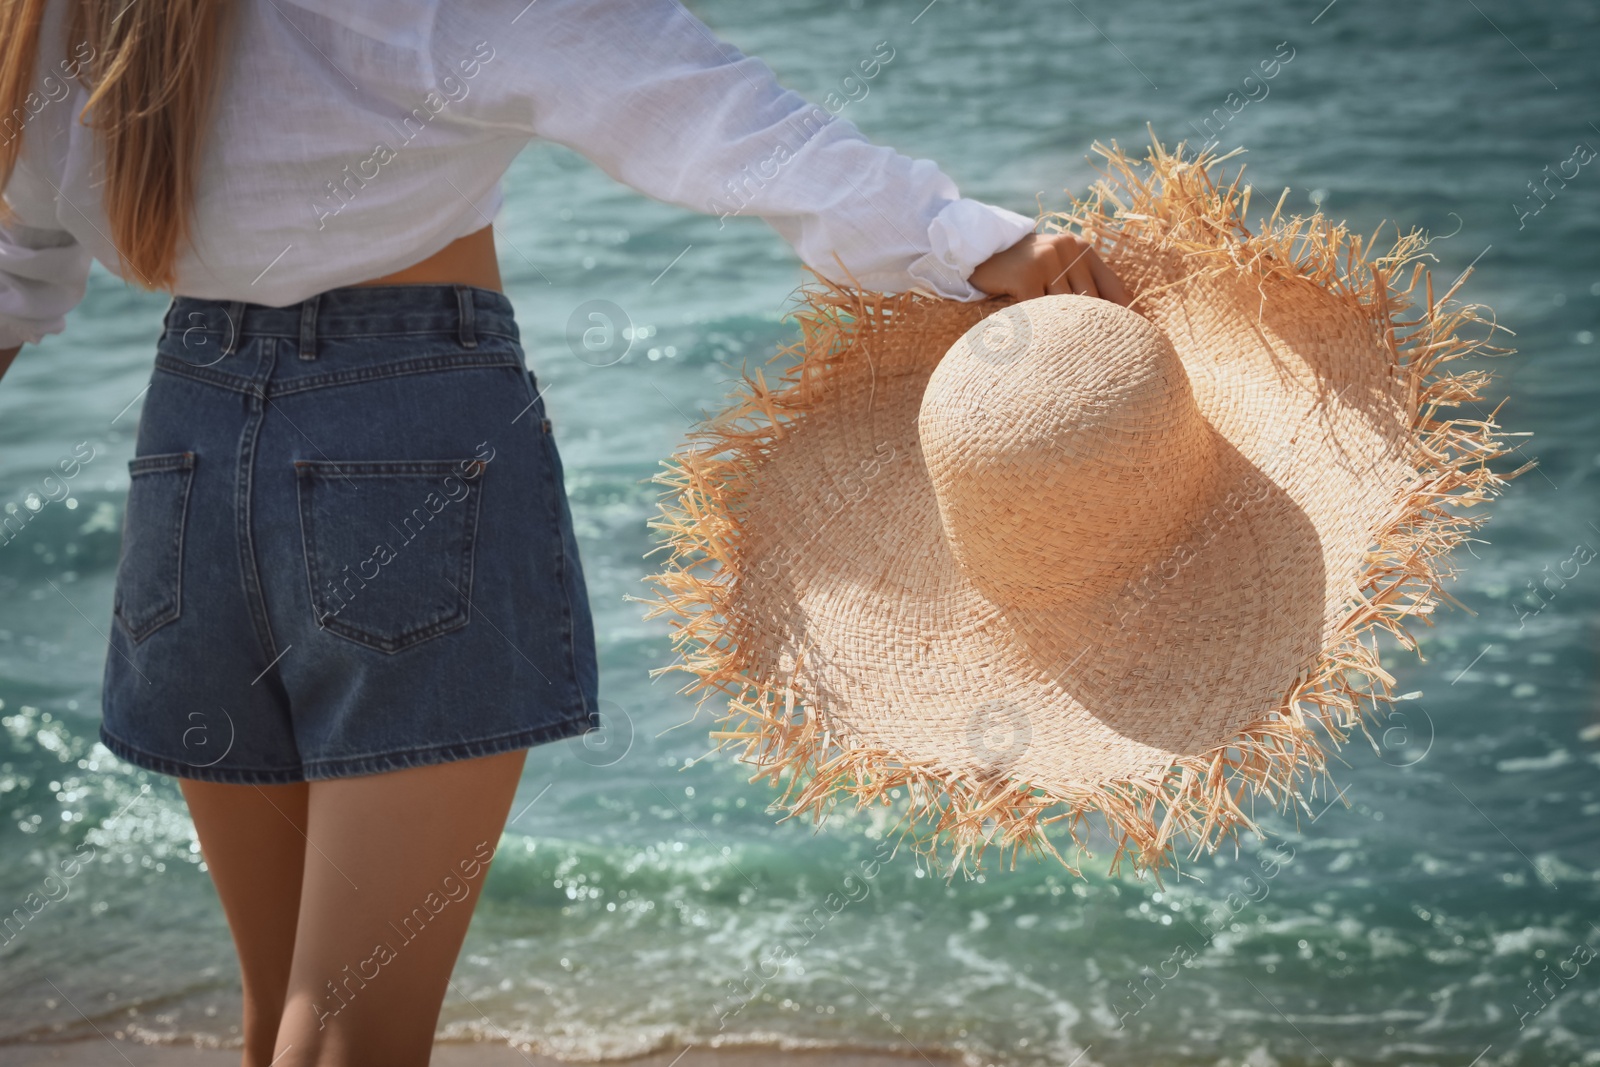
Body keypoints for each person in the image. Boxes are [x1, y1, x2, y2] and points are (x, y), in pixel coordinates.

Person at [0, 1, 1129, 1064]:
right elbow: (703, 110)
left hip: (184, 460)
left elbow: (17, 265)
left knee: (283, 1013)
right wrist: (965, 239)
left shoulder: (57, 21)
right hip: (406, 444)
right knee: (351, 1031)